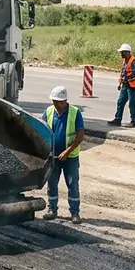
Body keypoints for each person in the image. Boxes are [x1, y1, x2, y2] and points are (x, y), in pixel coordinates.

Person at [42, 86, 85, 223]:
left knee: (72, 184)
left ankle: (75, 212)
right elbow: (42, 131)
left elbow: (80, 136)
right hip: (53, 157)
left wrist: (67, 152)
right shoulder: (49, 111)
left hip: (70, 157)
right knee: (52, 183)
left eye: (56, 102)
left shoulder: (75, 113)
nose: (54, 104)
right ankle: (52, 209)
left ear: (64, 101)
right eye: (53, 101)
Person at [108, 43, 135, 127]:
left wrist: (127, 78)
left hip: (133, 85)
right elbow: (123, 72)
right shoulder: (124, 61)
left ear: (127, 52)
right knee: (120, 101)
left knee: (132, 103)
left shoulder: (134, 61)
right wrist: (120, 82)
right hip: (125, 84)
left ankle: (134, 121)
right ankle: (117, 119)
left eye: (122, 52)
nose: (121, 54)